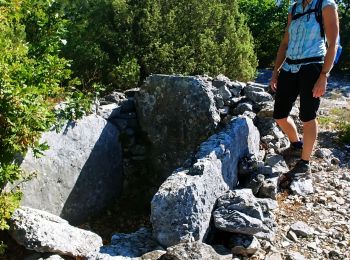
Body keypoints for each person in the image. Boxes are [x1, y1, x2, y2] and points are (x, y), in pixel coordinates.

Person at [269, 0, 339, 188]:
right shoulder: (295, 8)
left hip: (313, 67)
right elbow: (285, 43)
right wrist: (276, 71)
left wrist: (324, 75)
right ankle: (296, 145)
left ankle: (304, 163)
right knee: (280, 115)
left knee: (308, 116)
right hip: (289, 67)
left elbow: (333, 43)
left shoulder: (326, 5)